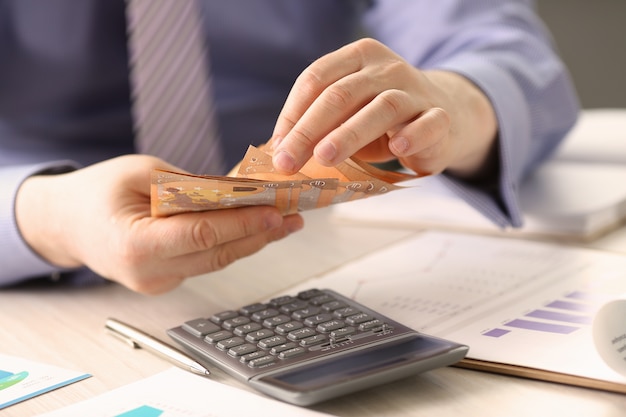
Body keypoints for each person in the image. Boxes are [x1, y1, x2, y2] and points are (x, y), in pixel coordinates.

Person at [0, 0, 579, 294]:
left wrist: (450, 104)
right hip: (38, 287)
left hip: (324, 254)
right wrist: (43, 217)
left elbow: (506, 52)